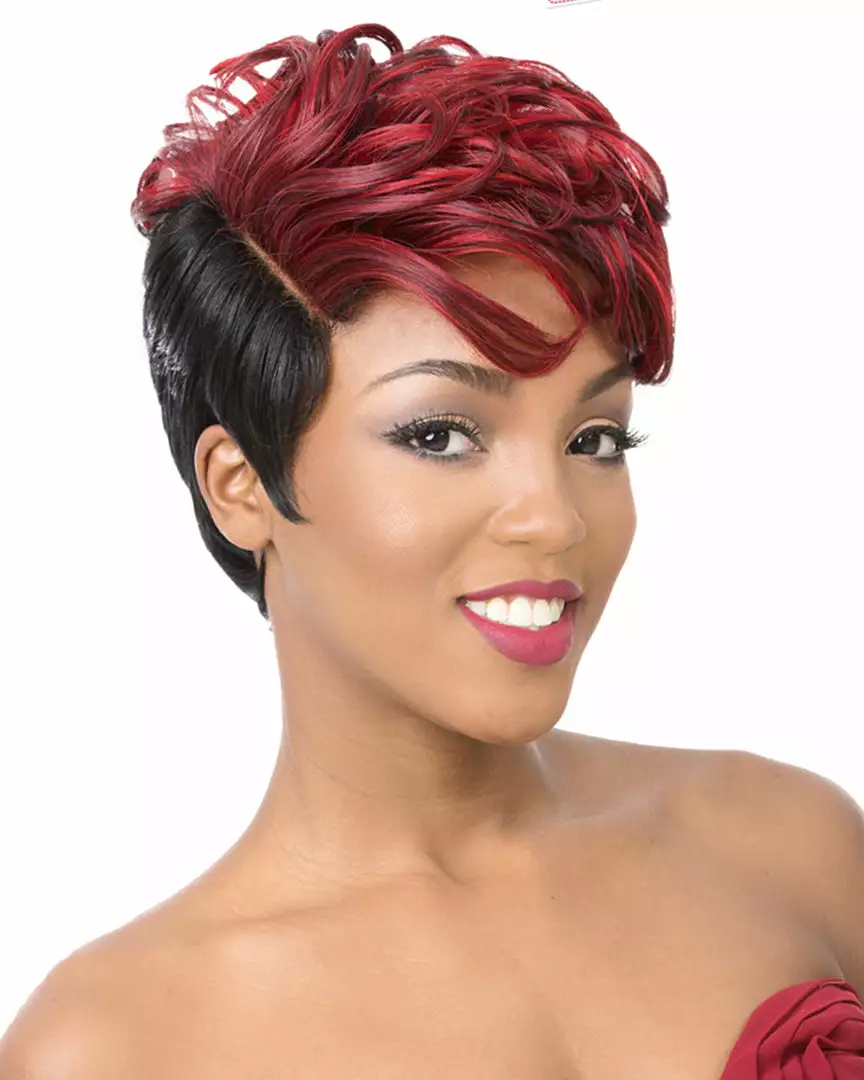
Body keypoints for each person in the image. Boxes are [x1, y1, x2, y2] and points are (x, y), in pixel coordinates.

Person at [2, 22, 863, 1080]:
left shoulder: (794, 846)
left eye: (595, 439)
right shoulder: (120, 1047)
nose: (552, 517)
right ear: (241, 487)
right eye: (442, 435)